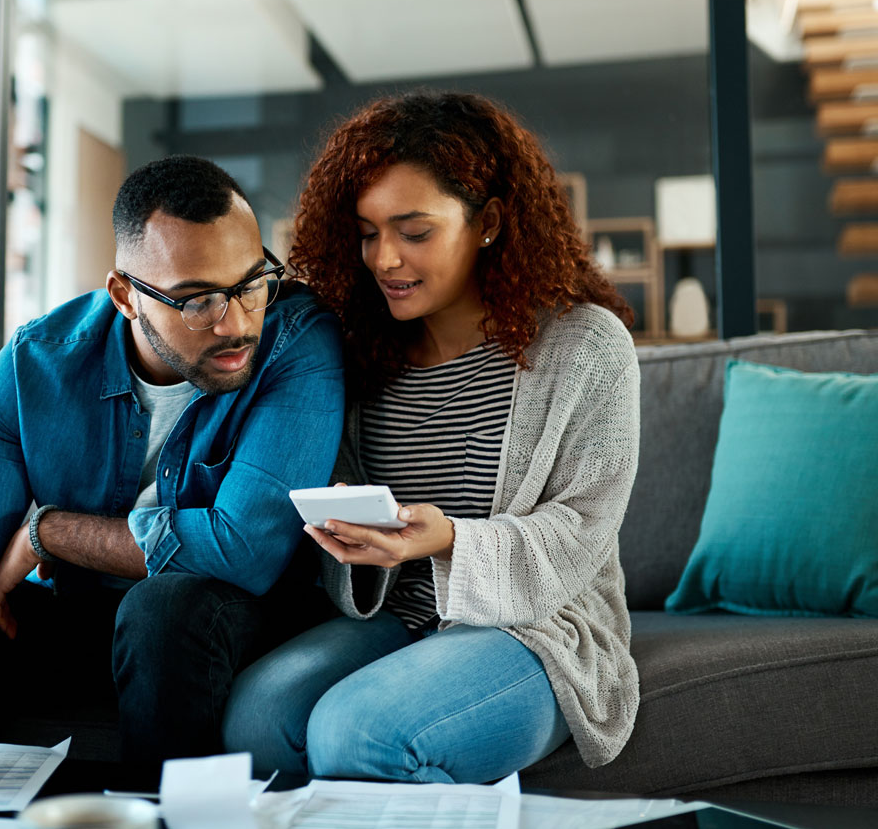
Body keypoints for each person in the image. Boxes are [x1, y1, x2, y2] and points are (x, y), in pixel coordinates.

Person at [0, 155, 344, 779]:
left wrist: (51, 532)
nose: (237, 322)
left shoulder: (297, 341)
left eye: (250, 283)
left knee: (163, 610)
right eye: (196, 300)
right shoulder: (34, 366)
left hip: (231, 622)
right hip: (91, 620)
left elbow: (245, 548)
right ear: (126, 296)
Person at [223, 92, 641, 783]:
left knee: (356, 732)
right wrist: (348, 533)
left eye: (414, 231)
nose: (385, 259)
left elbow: (579, 532)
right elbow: (353, 562)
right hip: (402, 616)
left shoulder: (585, 348)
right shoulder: (360, 354)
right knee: (257, 718)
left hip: (537, 631)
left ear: (489, 222)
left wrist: (448, 538)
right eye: (366, 233)